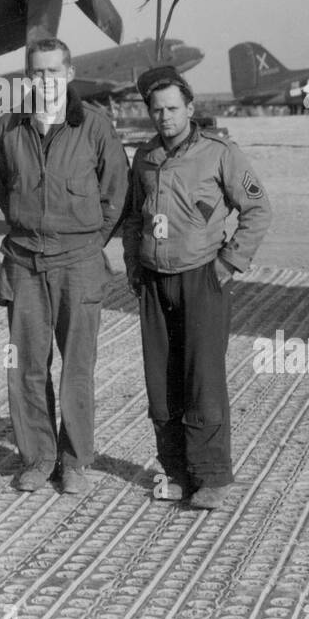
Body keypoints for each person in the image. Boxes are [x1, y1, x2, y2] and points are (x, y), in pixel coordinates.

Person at [122, 66, 272, 510]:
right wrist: (133, 265)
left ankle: (212, 478)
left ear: (190, 108)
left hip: (201, 277)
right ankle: (175, 472)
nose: (164, 117)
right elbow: (133, 218)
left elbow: (258, 209)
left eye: (172, 108)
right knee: (161, 380)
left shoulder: (220, 153)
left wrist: (229, 263)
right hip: (154, 281)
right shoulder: (145, 156)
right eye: (156, 109)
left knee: (202, 378)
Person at [0, 37, 128, 493]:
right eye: (37, 72)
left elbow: (115, 194)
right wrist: (29, 227)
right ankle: (37, 457)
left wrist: (88, 242)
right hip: (25, 262)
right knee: (26, 365)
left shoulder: (93, 125)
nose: (45, 80)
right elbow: (1, 185)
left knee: (77, 367)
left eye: (53, 72)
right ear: (28, 76)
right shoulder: (10, 126)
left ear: (68, 74)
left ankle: (74, 461)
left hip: (78, 263)